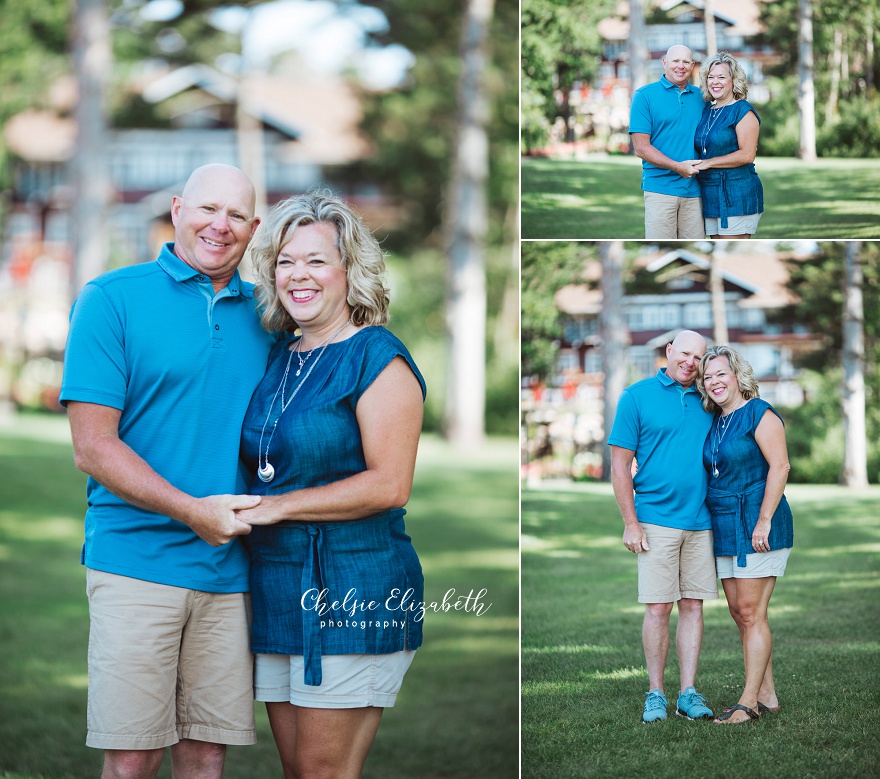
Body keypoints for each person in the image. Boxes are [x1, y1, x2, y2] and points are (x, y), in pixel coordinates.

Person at [59, 163, 272, 778]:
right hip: (135, 561)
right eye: (208, 208)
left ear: (253, 228)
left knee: (206, 755)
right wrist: (192, 511)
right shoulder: (111, 300)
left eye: (236, 215)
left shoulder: (269, 314)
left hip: (228, 570)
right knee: (133, 756)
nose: (220, 225)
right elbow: (93, 447)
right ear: (177, 209)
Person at [233, 191, 426, 778]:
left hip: (353, 584)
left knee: (323, 772)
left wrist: (276, 507)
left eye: (317, 260)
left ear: (350, 271)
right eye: (286, 261)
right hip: (276, 584)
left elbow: (390, 485)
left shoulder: (377, 357)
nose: (299, 274)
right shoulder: (282, 356)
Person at [608, 330, 718, 724]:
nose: (691, 362)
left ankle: (688, 692)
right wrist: (630, 523)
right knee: (658, 607)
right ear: (669, 351)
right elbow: (620, 465)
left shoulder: (710, 399)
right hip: (654, 519)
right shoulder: (636, 396)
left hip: (702, 521)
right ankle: (655, 693)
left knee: (693, 606)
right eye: (685, 353)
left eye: (698, 357)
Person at [697, 345, 793, 725]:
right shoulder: (714, 420)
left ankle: (748, 702)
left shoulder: (759, 412)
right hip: (724, 524)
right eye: (708, 377)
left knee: (753, 613)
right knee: (741, 614)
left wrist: (764, 519)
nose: (714, 382)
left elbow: (780, 466)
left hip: (758, 525)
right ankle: (767, 695)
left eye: (721, 374)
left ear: (737, 375)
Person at [629, 45, 705, 239]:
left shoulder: (702, 97)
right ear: (665, 63)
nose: (680, 66)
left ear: (692, 65)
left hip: (695, 191)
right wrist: (677, 166)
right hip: (659, 190)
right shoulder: (644, 96)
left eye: (686, 62)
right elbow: (641, 148)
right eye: (675, 61)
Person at [693, 51, 764, 238]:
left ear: (733, 80)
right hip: (709, 192)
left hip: (737, 191)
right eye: (711, 77)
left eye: (721, 77)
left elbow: (747, 155)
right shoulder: (708, 111)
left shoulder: (742, 110)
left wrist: (707, 163)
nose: (715, 82)